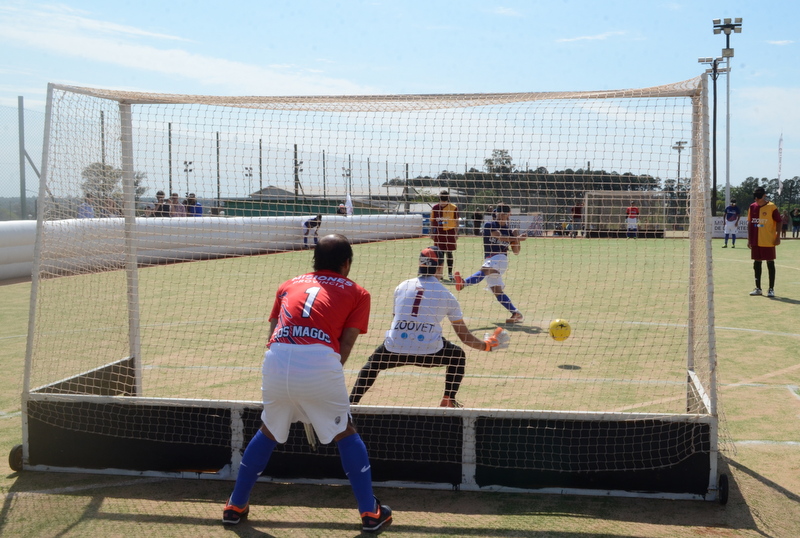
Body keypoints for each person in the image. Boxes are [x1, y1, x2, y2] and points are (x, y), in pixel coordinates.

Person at [222, 234, 392, 533]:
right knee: (344, 431)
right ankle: (370, 512)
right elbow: (347, 343)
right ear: (346, 263)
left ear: (314, 261)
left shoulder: (288, 284)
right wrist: (319, 379)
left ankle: (235, 505)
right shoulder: (358, 292)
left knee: (269, 428)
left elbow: (272, 332)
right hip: (319, 360)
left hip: (276, 358)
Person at [350, 246, 508, 409]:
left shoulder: (402, 286)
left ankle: (351, 402)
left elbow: (396, 319)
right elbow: (464, 337)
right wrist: (486, 346)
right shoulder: (446, 295)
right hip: (429, 352)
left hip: (394, 349)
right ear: (440, 267)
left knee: (372, 364)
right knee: (457, 356)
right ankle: (448, 399)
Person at [454, 203, 524, 324]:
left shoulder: (510, 231)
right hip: (490, 258)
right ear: (496, 212)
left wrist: (516, 237)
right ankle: (516, 313)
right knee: (497, 291)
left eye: (504, 212)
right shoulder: (489, 225)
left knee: (485, 270)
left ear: (509, 214)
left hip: (501, 259)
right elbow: (499, 237)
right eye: (499, 212)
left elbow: (516, 252)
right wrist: (517, 238)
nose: (501, 214)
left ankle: (464, 283)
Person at [747, 187, 781, 298]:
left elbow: (779, 221)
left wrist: (777, 236)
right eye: (755, 197)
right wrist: (749, 239)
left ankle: (771, 289)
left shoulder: (772, 207)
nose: (757, 199)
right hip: (756, 241)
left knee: (770, 263)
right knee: (757, 263)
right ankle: (758, 288)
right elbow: (749, 223)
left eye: (759, 196)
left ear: (764, 196)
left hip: (768, 240)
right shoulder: (752, 207)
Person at [430, 190, 459, 281]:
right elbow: (432, 221)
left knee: (449, 252)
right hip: (439, 233)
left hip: (450, 232)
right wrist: (431, 232)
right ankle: (439, 273)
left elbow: (457, 221)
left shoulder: (453, 207)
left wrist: (456, 233)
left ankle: (450, 274)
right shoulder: (435, 208)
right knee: (439, 254)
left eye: (445, 195)